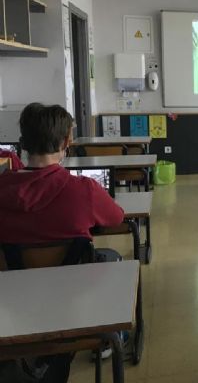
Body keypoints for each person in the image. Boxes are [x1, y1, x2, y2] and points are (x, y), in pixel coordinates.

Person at [0, 103, 124, 383]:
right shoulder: (83, 190)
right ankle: (108, 342)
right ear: (67, 142)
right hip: (72, 302)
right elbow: (116, 217)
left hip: (12, 303)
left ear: (23, 142)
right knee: (111, 257)